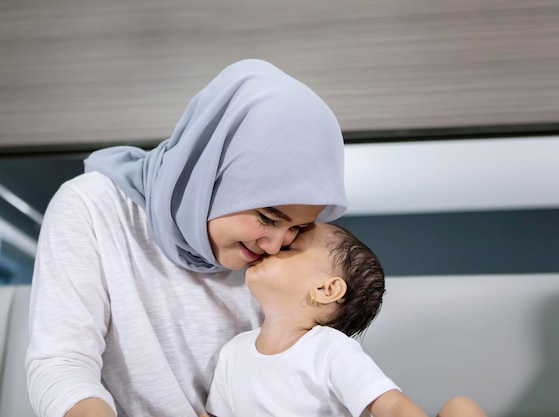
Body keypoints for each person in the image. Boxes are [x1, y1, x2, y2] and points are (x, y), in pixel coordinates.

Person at [25, 59, 348, 417]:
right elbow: (62, 364)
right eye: (267, 218)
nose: (275, 246)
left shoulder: (290, 260)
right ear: (213, 173)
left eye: (297, 228)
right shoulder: (93, 207)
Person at [205, 223, 488, 417]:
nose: (270, 247)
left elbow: (388, 405)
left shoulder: (329, 349)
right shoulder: (233, 351)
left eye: (288, 249)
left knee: (460, 408)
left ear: (326, 290)